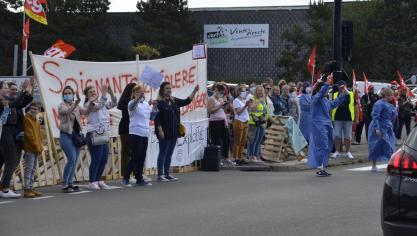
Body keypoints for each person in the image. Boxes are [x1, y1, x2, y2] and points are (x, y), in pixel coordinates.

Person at [154, 82, 199, 182]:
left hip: (174, 131)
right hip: (164, 132)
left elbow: (187, 101)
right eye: (167, 88)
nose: (169, 90)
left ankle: (167, 174)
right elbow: (157, 119)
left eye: (170, 88)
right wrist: (160, 130)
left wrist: (194, 91)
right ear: (162, 90)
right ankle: (160, 175)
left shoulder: (173, 100)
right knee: (163, 153)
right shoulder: (159, 103)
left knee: (169, 153)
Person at [307, 78, 348, 177]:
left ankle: (322, 167)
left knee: (328, 146)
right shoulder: (315, 99)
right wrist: (327, 83)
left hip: (327, 125)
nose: (327, 90)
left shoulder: (325, 100)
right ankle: (320, 168)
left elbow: (335, 103)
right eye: (326, 89)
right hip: (318, 125)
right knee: (323, 146)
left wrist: (344, 93)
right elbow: (320, 94)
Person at [0, 80, 33, 198]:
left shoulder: (9, 99)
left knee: (9, 160)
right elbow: (14, 103)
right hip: (6, 132)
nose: (7, 89)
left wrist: (28, 92)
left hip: (15, 133)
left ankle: (3, 186)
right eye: (5, 88)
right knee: (12, 160)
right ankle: (5, 189)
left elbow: (20, 104)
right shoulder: (3, 100)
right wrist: (24, 90)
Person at [121, 85, 156, 187]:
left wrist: (155, 107)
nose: (140, 94)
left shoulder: (145, 104)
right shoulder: (131, 103)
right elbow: (132, 107)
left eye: (141, 92)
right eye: (137, 92)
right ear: (134, 93)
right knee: (135, 156)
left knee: (142, 157)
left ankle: (139, 178)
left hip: (145, 133)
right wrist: (137, 98)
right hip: (135, 132)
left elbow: (152, 117)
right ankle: (126, 178)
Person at [84, 85, 117, 190]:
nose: (93, 93)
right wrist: (104, 94)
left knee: (103, 159)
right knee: (96, 158)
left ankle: (98, 179)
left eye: (94, 91)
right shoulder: (88, 104)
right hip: (94, 133)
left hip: (104, 133)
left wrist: (111, 93)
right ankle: (92, 181)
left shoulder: (102, 103)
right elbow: (97, 107)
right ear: (86, 95)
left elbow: (115, 103)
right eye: (90, 92)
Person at [58, 86, 87, 193]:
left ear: (73, 95)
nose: (68, 95)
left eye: (70, 93)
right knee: (71, 159)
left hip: (77, 136)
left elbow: (86, 111)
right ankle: (65, 183)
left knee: (74, 161)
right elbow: (67, 111)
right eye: (66, 93)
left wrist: (91, 101)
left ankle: (70, 183)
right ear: (63, 96)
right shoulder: (61, 105)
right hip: (66, 135)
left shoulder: (77, 106)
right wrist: (76, 103)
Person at [368, 88, 397, 172]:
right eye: (391, 95)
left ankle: (391, 165)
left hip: (387, 127)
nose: (392, 96)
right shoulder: (379, 104)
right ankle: (374, 166)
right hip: (379, 127)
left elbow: (393, 116)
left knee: (390, 145)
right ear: (387, 95)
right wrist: (377, 128)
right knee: (376, 146)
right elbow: (375, 116)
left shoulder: (389, 104)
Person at [331, 80, 358, 159]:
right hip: (337, 118)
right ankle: (337, 151)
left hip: (348, 118)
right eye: (340, 86)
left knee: (347, 136)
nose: (341, 87)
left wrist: (356, 118)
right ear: (338, 87)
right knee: (337, 135)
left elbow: (355, 106)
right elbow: (331, 106)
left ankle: (348, 152)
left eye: (343, 86)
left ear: (345, 86)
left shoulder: (351, 94)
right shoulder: (335, 94)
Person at [208, 84, 233, 165]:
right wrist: (220, 106)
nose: (221, 94)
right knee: (217, 140)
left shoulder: (221, 99)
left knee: (227, 139)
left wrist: (227, 104)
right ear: (216, 90)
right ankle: (218, 158)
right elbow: (210, 110)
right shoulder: (211, 99)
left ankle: (226, 157)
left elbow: (224, 110)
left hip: (223, 121)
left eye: (223, 92)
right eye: (220, 92)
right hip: (215, 122)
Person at [22, 102, 43, 198]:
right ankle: (27, 188)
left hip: (36, 148)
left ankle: (31, 186)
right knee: (29, 168)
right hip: (30, 148)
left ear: (39, 110)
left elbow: (38, 135)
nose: (34, 110)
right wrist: (37, 146)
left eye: (36, 109)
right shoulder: (27, 118)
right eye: (32, 108)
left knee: (33, 168)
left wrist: (40, 146)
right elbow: (29, 136)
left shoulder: (36, 120)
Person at [117, 83, 136, 178]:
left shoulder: (134, 100)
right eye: (135, 90)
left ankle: (136, 173)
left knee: (135, 151)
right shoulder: (127, 100)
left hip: (133, 128)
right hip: (126, 127)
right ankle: (126, 175)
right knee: (127, 151)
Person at [247, 85, 270, 162]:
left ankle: (256, 156)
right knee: (253, 140)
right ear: (255, 92)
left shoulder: (264, 99)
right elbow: (252, 108)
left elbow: (265, 111)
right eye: (258, 91)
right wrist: (259, 101)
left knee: (259, 140)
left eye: (261, 91)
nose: (260, 92)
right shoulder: (252, 99)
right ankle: (251, 156)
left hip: (262, 122)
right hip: (254, 122)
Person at [232, 84, 252, 165]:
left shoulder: (244, 100)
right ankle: (235, 157)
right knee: (237, 140)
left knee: (243, 141)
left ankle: (240, 157)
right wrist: (245, 106)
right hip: (239, 121)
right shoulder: (236, 101)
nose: (244, 92)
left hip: (246, 121)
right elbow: (238, 112)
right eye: (243, 91)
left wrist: (250, 104)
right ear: (239, 92)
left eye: (245, 91)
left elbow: (249, 110)